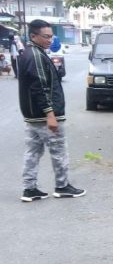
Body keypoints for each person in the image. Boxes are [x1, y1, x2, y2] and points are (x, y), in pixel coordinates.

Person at [18, 19, 86, 202]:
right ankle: (62, 186)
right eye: (46, 36)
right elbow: (40, 86)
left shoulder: (28, 53)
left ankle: (29, 188)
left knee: (32, 152)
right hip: (44, 116)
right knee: (58, 151)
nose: (50, 40)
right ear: (33, 36)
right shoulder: (36, 56)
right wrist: (50, 114)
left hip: (32, 117)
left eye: (51, 36)